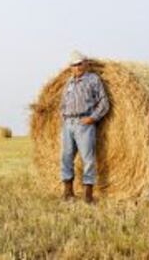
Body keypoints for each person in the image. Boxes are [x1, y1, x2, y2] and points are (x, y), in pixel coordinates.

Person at [60, 51, 110, 204]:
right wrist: (64, 117)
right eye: (74, 65)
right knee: (66, 158)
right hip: (68, 124)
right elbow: (62, 103)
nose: (77, 67)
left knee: (88, 159)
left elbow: (104, 102)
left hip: (84, 124)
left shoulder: (93, 80)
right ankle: (68, 192)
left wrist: (92, 118)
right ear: (71, 67)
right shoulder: (69, 83)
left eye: (79, 64)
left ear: (86, 64)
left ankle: (88, 194)